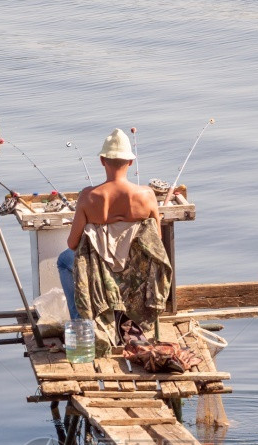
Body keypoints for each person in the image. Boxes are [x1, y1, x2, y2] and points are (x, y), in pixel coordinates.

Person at [57, 129, 172, 354]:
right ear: (130, 162)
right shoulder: (147, 195)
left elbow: (72, 244)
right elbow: (155, 241)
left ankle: (83, 324)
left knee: (64, 260)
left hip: (99, 277)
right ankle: (127, 322)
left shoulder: (89, 197)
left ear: (102, 161)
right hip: (134, 279)